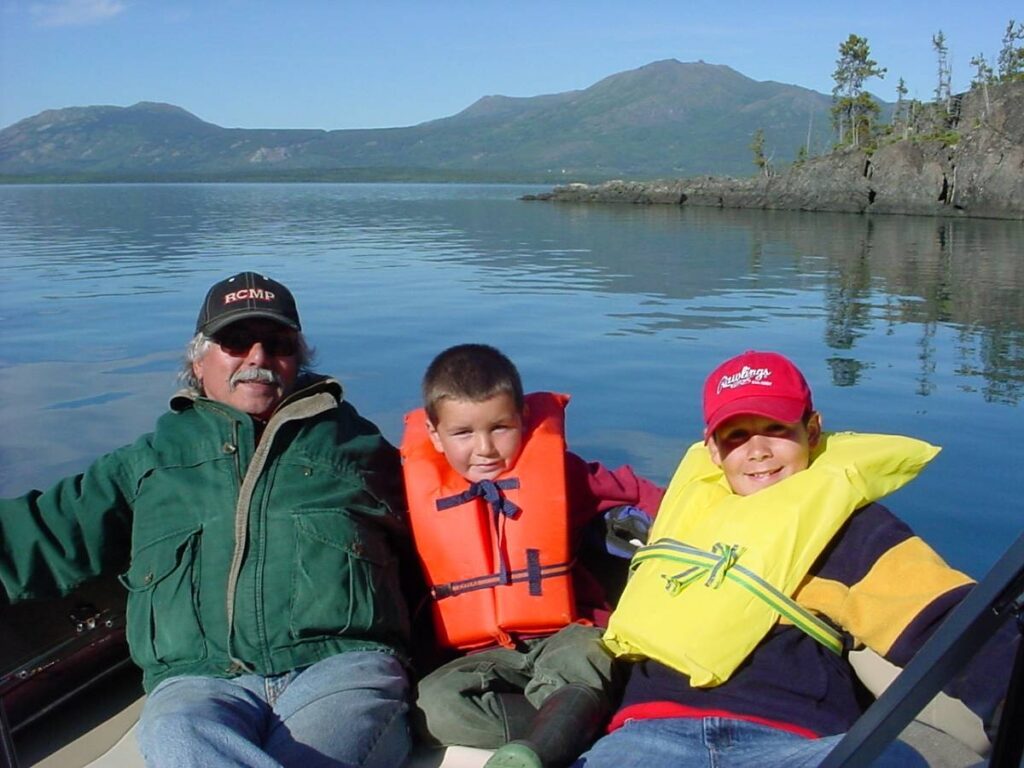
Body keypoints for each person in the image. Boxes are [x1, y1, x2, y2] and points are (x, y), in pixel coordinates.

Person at [0, 271, 412, 768]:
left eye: (277, 343)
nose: (257, 358)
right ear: (198, 360)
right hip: (199, 680)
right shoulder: (150, 460)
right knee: (177, 737)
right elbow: (41, 535)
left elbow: (454, 517)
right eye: (235, 341)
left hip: (340, 669)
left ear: (299, 358)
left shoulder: (359, 449)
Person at [574, 349, 1016, 768]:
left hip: (795, 744)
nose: (758, 450)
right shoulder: (679, 518)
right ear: (713, 450)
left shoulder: (851, 530)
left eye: (777, 428)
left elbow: (945, 617)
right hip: (647, 737)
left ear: (813, 430)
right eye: (737, 435)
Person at [400, 343, 664, 768]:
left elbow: (644, 494)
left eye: (500, 428)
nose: (484, 448)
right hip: (479, 655)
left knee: (586, 658)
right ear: (434, 433)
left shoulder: (565, 475)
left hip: (566, 633)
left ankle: (538, 749)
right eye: (463, 433)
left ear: (522, 418)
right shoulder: (416, 493)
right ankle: (570, 725)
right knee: (432, 707)